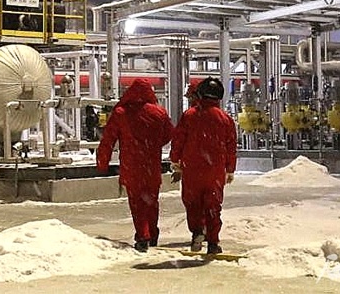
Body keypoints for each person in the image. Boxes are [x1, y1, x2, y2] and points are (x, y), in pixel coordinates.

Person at [96, 79, 174, 252]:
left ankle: (143, 236)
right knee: (152, 201)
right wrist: (153, 145)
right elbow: (169, 134)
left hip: (131, 165)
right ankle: (153, 233)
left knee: (137, 202)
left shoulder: (121, 113)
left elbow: (108, 140)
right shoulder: (159, 112)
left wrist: (103, 161)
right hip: (152, 165)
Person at [169, 76, 238, 255]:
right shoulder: (225, 119)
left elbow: (178, 139)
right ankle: (213, 242)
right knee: (213, 206)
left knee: (193, 204)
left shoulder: (189, 116)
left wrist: (175, 159)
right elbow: (231, 146)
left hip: (192, 169)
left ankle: (197, 232)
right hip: (215, 170)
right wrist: (230, 169)